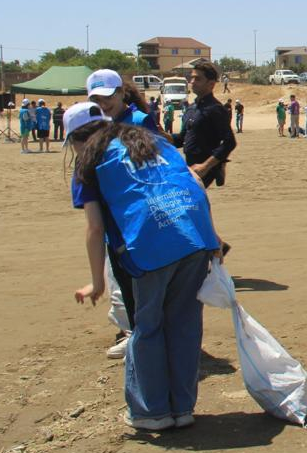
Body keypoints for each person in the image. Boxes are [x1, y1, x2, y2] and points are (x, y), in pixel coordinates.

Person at [64, 102, 222, 431]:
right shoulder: (149, 141)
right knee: (184, 324)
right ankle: (182, 408)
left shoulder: (90, 160)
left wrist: (97, 282)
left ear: (75, 140)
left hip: (150, 245)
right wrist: (213, 238)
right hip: (194, 236)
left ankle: (151, 412)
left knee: (147, 327)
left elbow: (95, 228)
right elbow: (193, 181)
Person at [86, 69, 164, 357]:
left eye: (108, 97)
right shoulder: (97, 125)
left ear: (121, 93)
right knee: (123, 282)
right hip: (114, 218)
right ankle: (135, 335)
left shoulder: (140, 120)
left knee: (145, 283)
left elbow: (158, 167)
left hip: (141, 218)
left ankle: (149, 341)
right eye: (96, 99)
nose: (103, 104)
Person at [171, 61, 237, 188]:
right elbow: (181, 139)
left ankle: (219, 166)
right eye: (192, 78)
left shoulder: (215, 109)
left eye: (198, 79)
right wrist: (161, 136)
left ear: (211, 84)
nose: (192, 82)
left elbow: (230, 142)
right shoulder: (191, 108)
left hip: (204, 169)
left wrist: (205, 166)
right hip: (190, 165)